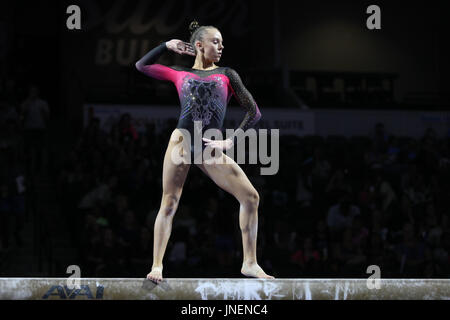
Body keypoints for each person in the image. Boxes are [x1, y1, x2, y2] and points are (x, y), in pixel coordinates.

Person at [135, 21, 273, 282]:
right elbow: (141, 66)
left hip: (210, 146)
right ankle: (157, 265)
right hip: (182, 143)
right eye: (215, 41)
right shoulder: (179, 73)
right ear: (199, 45)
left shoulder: (227, 74)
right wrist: (165, 45)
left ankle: (250, 263)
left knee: (251, 197)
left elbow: (254, 112)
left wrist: (230, 140)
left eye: (221, 42)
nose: (221, 46)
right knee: (170, 202)